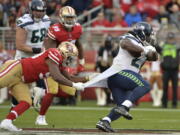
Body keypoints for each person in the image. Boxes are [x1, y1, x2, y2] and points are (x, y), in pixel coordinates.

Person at [84, 22, 158, 132]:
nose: (150, 38)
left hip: (122, 79)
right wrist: (143, 49)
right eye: (148, 35)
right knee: (145, 85)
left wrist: (152, 50)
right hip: (120, 73)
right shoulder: (129, 38)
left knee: (121, 106)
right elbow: (125, 45)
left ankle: (105, 121)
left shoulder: (145, 46)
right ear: (142, 34)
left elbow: (154, 58)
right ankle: (124, 107)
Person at [0, 41, 86, 132]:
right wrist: (74, 85)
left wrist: (88, 78)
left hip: (21, 81)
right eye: (70, 57)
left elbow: (70, 77)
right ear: (64, 52)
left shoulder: (60, 64)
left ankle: (7, 121)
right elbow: (56, 77)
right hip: (17, 69)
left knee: (26, 102)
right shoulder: (54, 53)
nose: (70, 60)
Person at [35, 6, 85, 125]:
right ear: (61, 18)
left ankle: (40, 92)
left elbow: (78, 44)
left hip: (62, 62)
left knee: (71, 90)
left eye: (71, 18)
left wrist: (81, 61)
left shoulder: (77, 28)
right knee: (52, 90)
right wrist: (58, 67)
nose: (69, 21)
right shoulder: (54, 29)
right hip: (50, 61)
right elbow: (49, 51)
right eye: (67, 18)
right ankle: (40, 117)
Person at [11, 0, 51, 109]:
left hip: (37, 58)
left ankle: (34, 96)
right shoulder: (24, 22)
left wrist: (46, 50)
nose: (40, 13)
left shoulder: (47, 20)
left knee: (44, 86)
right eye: (37, 11)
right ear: (31, 10)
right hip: (23, 58)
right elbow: (19, 45)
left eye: (42, 11)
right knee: (19, 87)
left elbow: (46, 38)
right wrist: (38, 50)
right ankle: (13, 109)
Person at [160, 32, 180, 108]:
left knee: (175, 88)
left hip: (174, 70)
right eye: (169, 38)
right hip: (166, 70)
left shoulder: (177, 47)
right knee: (165, 88)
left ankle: (174, 104)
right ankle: (164, 104)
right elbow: (157, 48)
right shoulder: (164, 46)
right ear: (167, 39)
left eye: (171, 38)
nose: (170, 40)